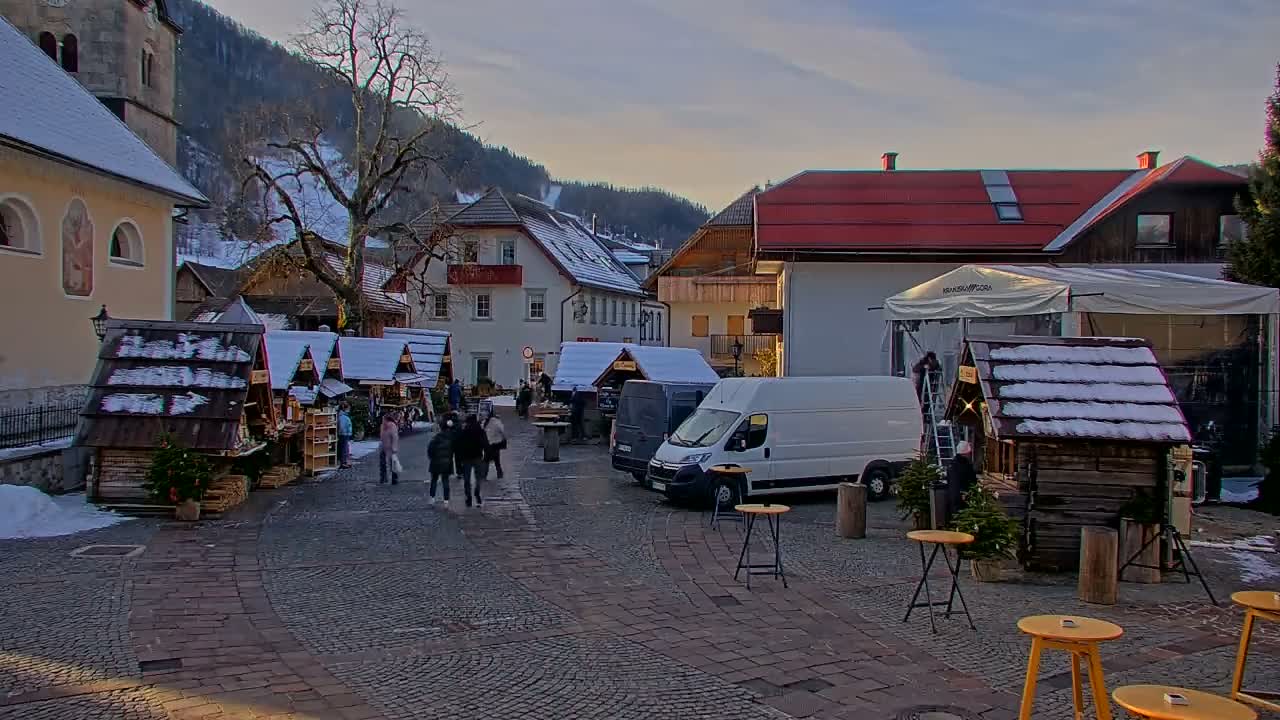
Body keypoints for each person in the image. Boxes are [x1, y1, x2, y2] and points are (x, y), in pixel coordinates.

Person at [454, 414, 488, 508]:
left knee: (467, 480)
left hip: (466, 458)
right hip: (477, 456)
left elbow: (458, 446)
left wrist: (459, 460)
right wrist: (486, 454)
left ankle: (468, 498)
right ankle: (477, 492)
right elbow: (485, 443)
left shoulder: (464, 431)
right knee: (478, 477)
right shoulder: (480, 430)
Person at [945, 441, 978, 523]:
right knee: (963, 519)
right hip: (963, 496)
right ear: (965, 453)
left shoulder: (951, 464)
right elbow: (972, 480)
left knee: (954, 517)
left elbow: (949, 479)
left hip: (952, 495)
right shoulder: (966, 465)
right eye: (969, 453)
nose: (970, 455)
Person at [428, 414, 456, 504]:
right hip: (447, 463)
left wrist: (432, 458)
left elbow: (430, 450)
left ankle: (432, 498)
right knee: (445, 481)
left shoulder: (436, 438)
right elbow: (453, 450)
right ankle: (446, 500)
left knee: (434, 480)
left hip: (436, 462)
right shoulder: (451, 439)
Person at [483, 409, 507, 479]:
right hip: (496, 443)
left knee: (486, 460)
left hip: (487, 444)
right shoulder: (497, 422)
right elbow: (502, 431)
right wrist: (503, 438)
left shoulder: (485, 422)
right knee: (497, 460)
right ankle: (499, 474)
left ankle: (484, 475)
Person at [378, 411, 400, 485]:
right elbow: (382, 436)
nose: (382, 420)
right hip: (383, 446)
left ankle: (394, 478)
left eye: (383, 418)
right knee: (383, 463)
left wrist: (394, 447)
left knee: (391, 464)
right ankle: (383, 478)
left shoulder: (392, 425)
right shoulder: (382, 426)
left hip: (390, 447)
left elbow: (394, 437)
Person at [336, 402, 353, 468]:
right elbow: (342, 427)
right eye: (348, 408)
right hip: (344, 434)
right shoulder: (343, 416)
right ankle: (343, 463)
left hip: (345, 434)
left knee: (345, 448)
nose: (349, 409)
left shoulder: (343, 416)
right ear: (345, 408)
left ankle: (344, 462)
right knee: (344, 448)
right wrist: (345, 432)